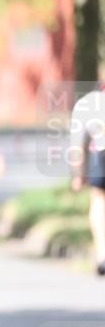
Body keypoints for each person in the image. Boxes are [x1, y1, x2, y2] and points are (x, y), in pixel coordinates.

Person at [69, 85, 105, 277]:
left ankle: (102, 254)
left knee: (98, 200)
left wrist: (78, 175)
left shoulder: (88, 103)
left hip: (100, 153)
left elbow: (78, 143)